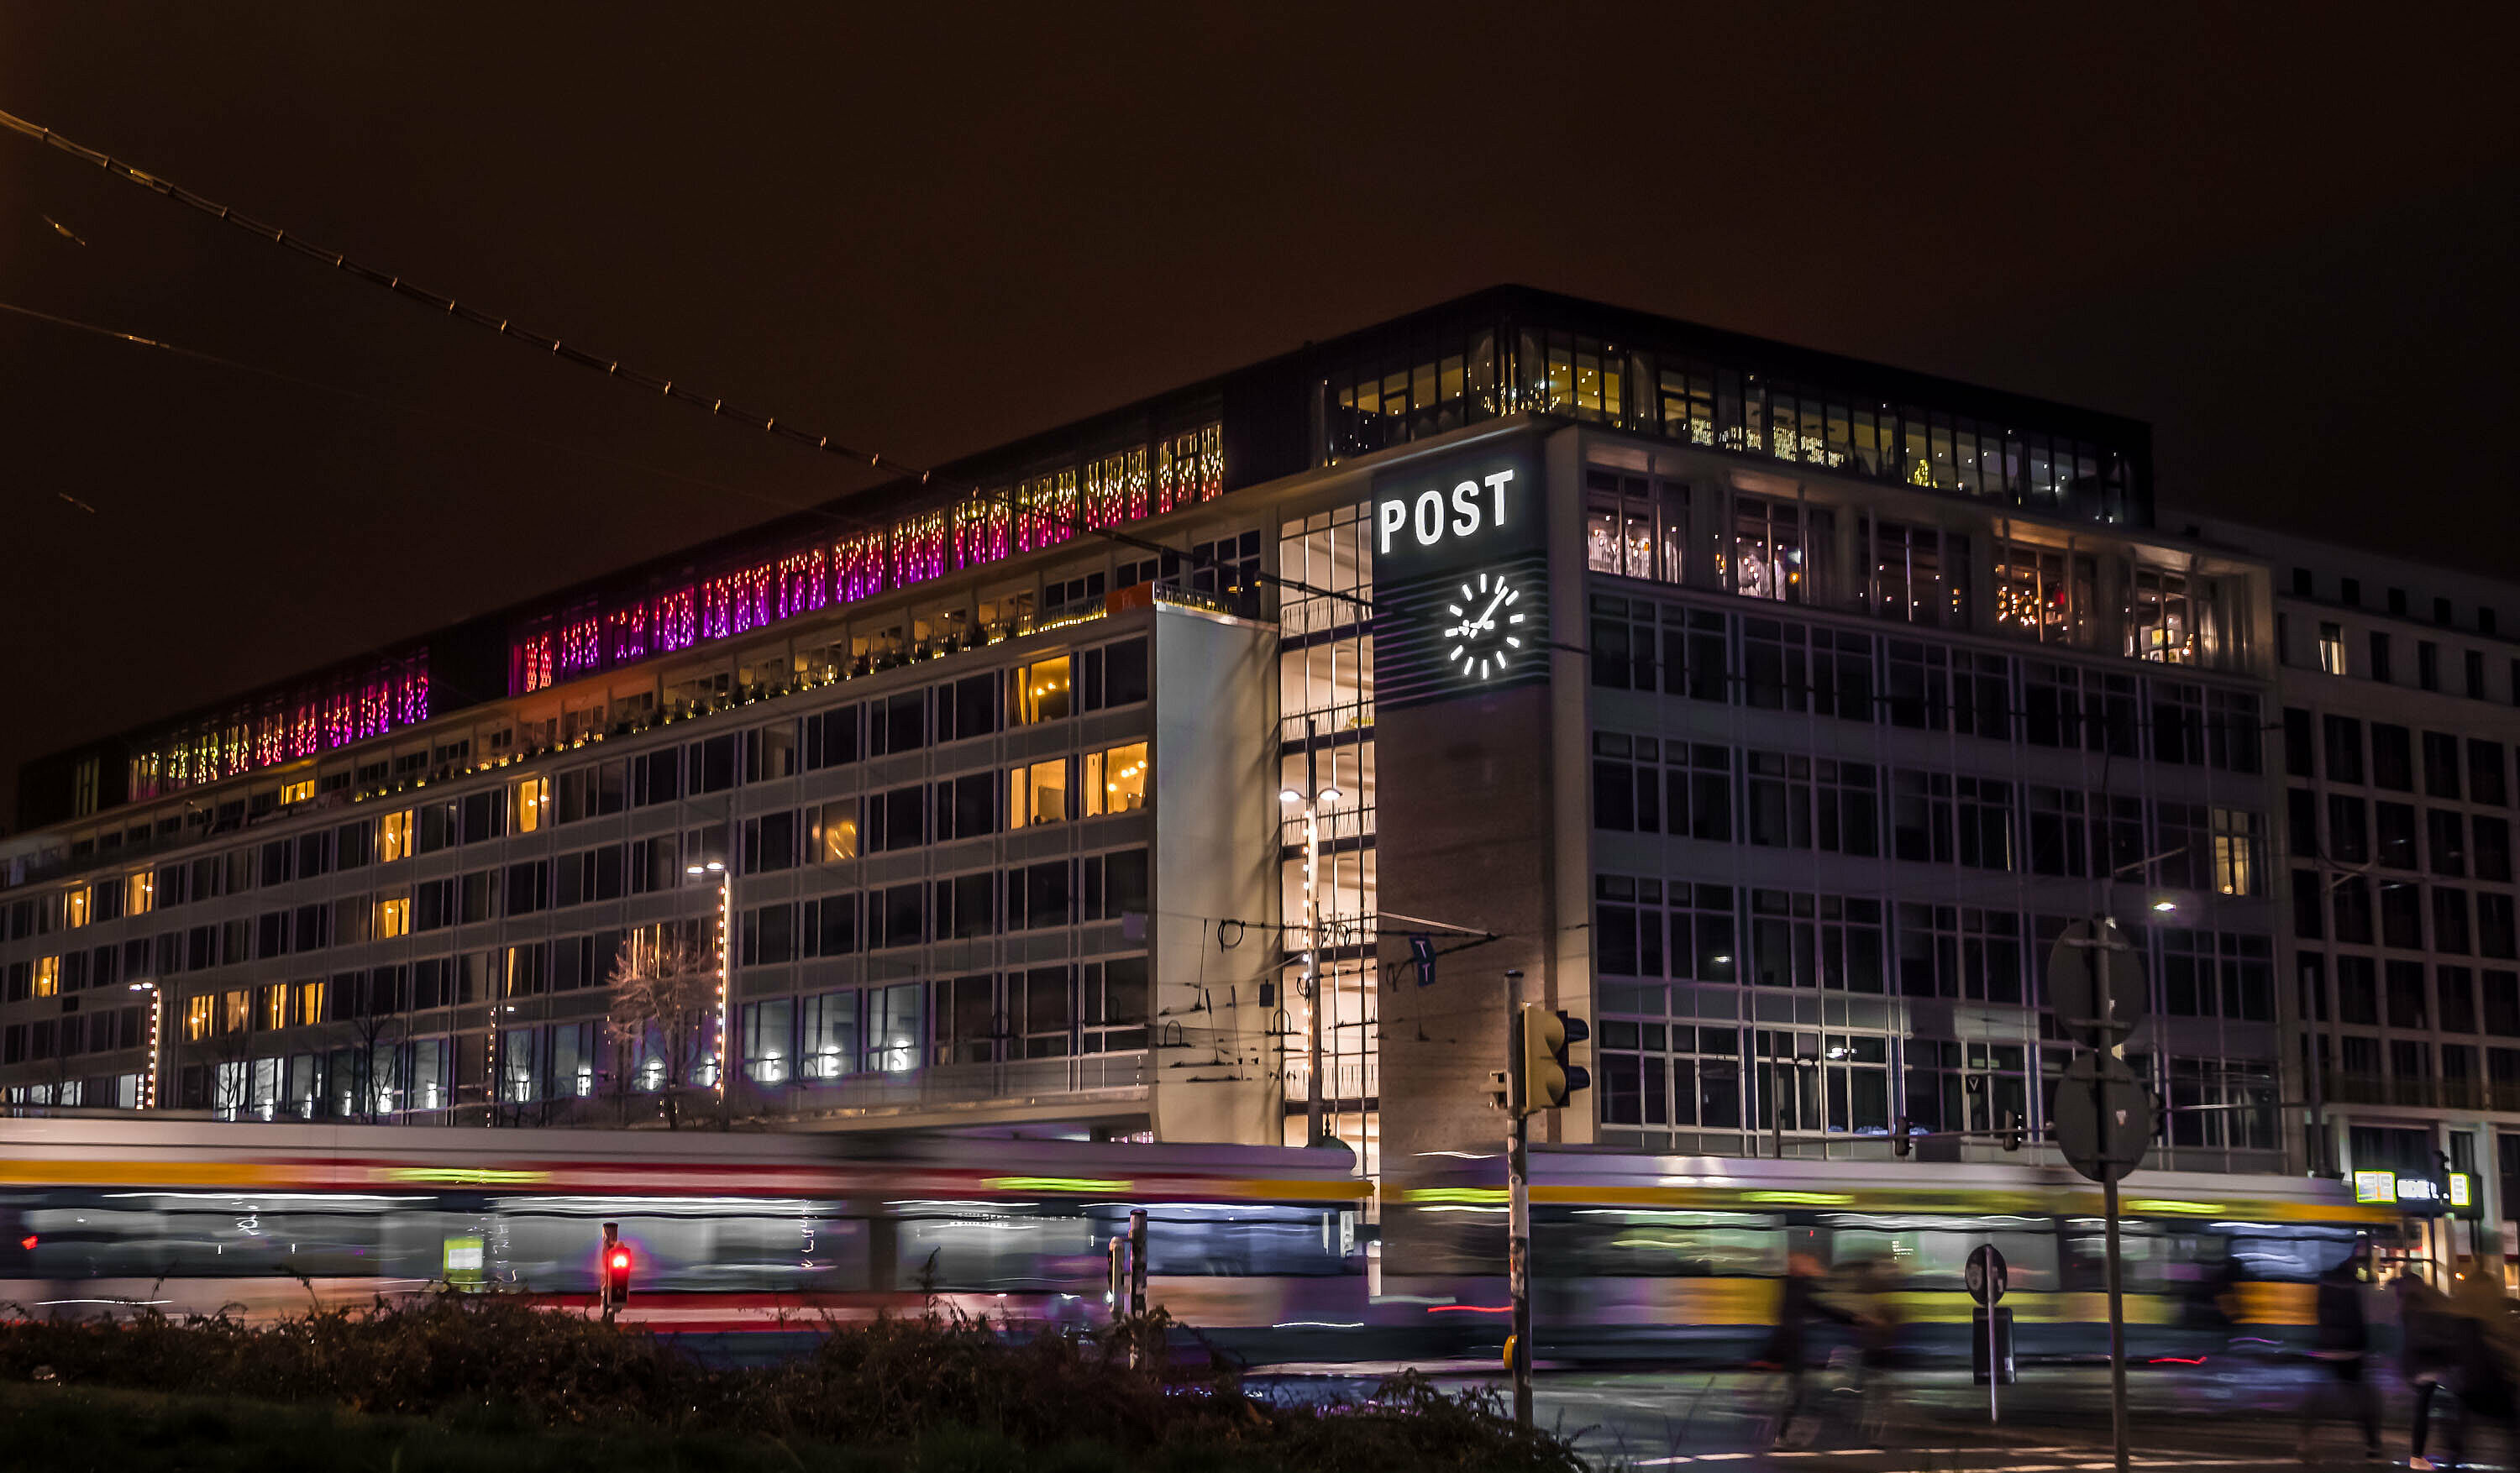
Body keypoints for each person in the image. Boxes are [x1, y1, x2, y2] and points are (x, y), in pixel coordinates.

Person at [1751, 1251, 1861, 1448]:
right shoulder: (1797, 1286)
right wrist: (1850, 1319)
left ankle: (1779, 1434)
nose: (1815, 1266)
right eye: (1810, 1263)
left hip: (1789, 1348)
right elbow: (1817, 1308)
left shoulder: (1792, 1285)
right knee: (1798, 1393)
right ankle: (1780, 1436)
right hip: (1792, 1349)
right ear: (1799, 1268)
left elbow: (1814, 1308)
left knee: (1797, 1393)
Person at [2297, 1246, 2379, 1463]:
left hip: (2327, 1350)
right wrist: (2365, 1348)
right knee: (2362, 1400)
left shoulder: (2324, 1283)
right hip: (2350, 1352)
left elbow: (2318, 1315)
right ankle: (2372, 1445)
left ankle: (2305, 1441)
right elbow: (2361, 1320)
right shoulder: (2354, 1285)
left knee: (2318, 1400)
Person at [2395, 1266, 2456, 1470]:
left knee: (2427, 1406)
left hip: (2417, 1365)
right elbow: (2422, 1338)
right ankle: (2420, 1455)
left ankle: (2424, 1454)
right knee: (2432, 1407)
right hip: (2425, 1365)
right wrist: (2444, 1343)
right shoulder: (2418, 1307)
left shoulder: (2407, 1306)